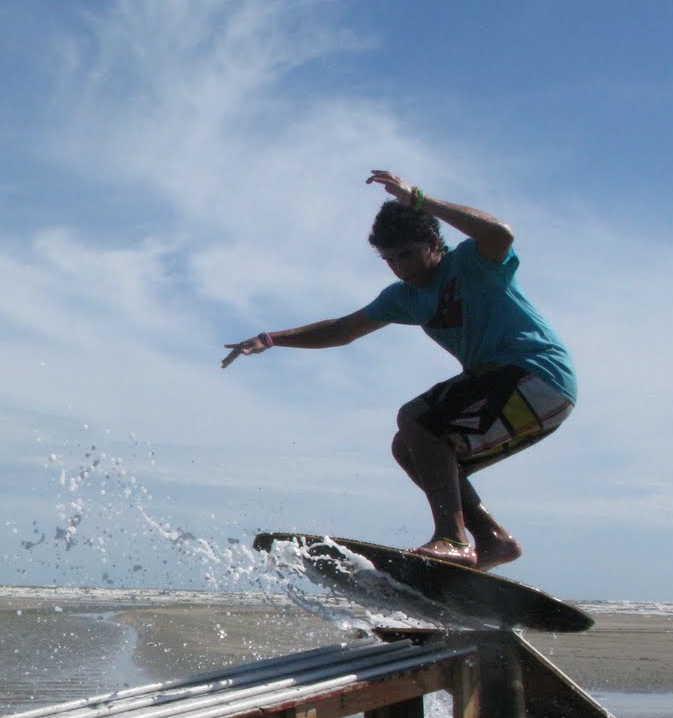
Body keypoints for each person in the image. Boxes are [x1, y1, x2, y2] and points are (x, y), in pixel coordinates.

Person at [221, 170, 577, 570]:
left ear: (433, 243)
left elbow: (501, 234)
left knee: (416, 418)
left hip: (537, 374)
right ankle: (494, 540)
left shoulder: (474, 264)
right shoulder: (406, 298)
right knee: (409, 446)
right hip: (532, 401)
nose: (398, 267)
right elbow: (342, 330)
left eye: (406, 254)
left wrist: (421, 201)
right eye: (388, 259)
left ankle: (452, 539)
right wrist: (271, 338)